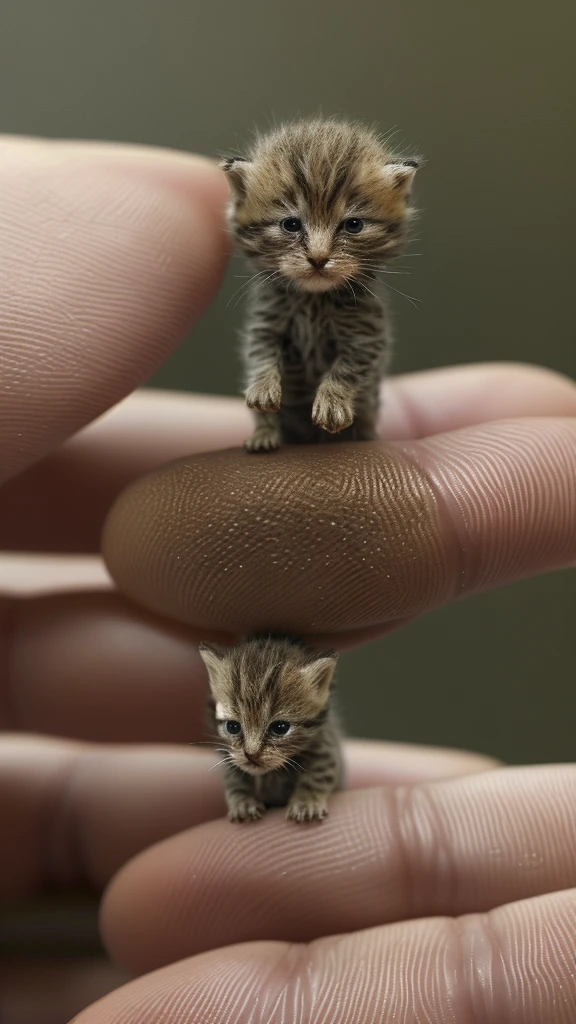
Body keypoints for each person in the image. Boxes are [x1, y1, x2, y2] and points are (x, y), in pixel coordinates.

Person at [1, 137, 575, 1023]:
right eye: (284, 224)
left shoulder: (358, 308)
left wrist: (342, 398)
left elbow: (361, 356)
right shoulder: (264, 289)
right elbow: (265, 349)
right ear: (242, 208)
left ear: (395, 208)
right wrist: (270, 396)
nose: (314, 250)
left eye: (346, 226)